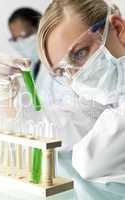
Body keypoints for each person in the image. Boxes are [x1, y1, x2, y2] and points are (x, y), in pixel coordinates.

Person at [36, 0, 125, 182]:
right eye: (63, 71)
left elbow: (91, 161)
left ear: (118, 28)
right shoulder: (110, 96)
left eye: (79, 54)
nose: (76, 76)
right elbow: (72, 122)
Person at [8, 7, 41, 81]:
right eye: (15, 39)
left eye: (23, 36)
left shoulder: (62, 66)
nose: (20, 43)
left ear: (41, 27)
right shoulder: (31, 69)